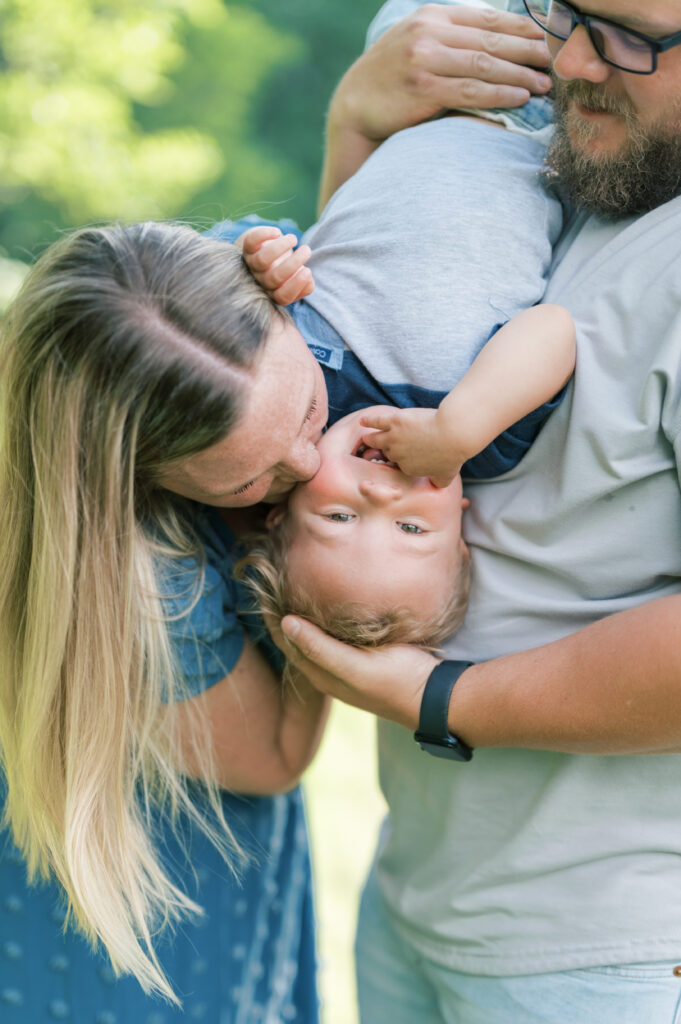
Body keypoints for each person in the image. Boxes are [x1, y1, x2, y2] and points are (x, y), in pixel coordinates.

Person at [266, 2, 681, 1022]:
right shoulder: (591, 165)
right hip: (419, 893)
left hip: (608, 949)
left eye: (635, 36)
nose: (576, 55)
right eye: (573, 12)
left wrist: (439, 700)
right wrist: (358, 125)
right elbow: (373, 357)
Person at [0, 222, 330, 1022]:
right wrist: (305, 565)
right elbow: (277, 756)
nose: (314, 469)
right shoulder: (151, 583)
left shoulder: (188, 302)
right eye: (259, 476)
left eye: (312, 408)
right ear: (137, 478)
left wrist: (353, 120)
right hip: (159, 897)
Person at [241, 300, 574, 652]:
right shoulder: (489, 442)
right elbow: (555, 327)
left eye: (339, 516)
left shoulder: (299, 400)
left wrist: (267, 270)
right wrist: (457, 431)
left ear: (279, 513)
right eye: (411, 527)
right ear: (457, 522)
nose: (379, 494)